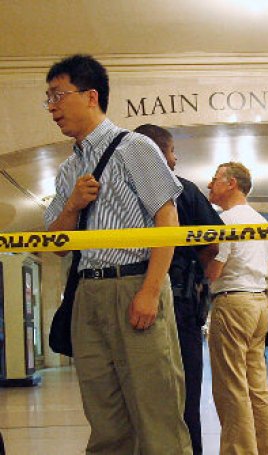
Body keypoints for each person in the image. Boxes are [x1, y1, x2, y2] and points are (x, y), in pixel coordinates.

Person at [43, 54, 192, 455]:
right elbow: (53, 246)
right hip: (87, 296)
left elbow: (167, 219)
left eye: (59, 95)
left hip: (134, 284)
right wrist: (71, 206)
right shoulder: (66, 172)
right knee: (104, 419)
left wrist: (150, 290)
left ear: (91, 96)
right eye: (49, 98)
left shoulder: (135, 148)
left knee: (157, 413)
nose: (52, 107)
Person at [134, 123, 222, 455]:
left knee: (141, 394)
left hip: (133, 296)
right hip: (180, 299)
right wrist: (198, 272)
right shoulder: (183, 190)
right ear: (159, 153)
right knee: (185, 390)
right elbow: (213, 241)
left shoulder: (121, 192)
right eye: (172, 151)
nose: (175, 158)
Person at [205, 162, 268, 454]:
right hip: (259, 303)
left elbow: (214, 272)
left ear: (231, 184)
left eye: (214, 180)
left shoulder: (225, 221)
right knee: (257, 386)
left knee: (232, 387)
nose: (210, 186)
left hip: (232, 302)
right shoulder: (262, 221)